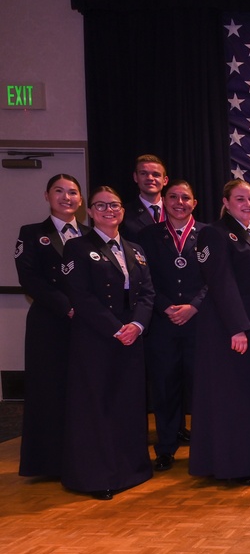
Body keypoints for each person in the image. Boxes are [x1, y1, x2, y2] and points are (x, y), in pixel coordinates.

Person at [189, 180, 250, 486]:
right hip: (233, 329)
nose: (248, 203)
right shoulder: (214, 233)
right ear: (226, 202)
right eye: (240, 199)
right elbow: (220, 283)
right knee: (236, 398)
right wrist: (238, 327)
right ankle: (237, 466)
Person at [61, 186, 155, 499]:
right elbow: (81, 296)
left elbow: (147, 294)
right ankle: (98, 476)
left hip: (131, 338)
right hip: (97, 339)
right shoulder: (77, 247)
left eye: (114, 205)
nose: (109, 210)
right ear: (90, 211)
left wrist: (137, 325)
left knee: (126, 404)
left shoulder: (135, 248)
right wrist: (116, 329)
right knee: (97, 407)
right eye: (100, 206)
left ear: (123, 211)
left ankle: (131, 470)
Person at [15, 174, 88, 479]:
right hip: (49, 323)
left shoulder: (89, 234)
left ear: (80, 200)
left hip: (85, 323)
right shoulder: (32, 233)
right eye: (59, 191)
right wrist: (65, 305)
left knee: (81, 391)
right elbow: (29, 279)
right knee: (49, 391)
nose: (66, 197)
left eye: (72, 192)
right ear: (47, 196)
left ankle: (80, 457)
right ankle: (46, 463)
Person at [137, 180, 207, 472]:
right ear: (163, 201)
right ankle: (165, 448)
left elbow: (215, 278)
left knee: (202, 389)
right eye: (174, 197)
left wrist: (194, 307)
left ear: (195, 203)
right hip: (162, 324)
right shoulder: (148, 236)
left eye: (186, 197)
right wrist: (165, 306)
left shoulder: (208, 234)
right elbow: (144, 278)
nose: (180, 202)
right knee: (165, 389)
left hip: (199, 324)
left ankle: (204, 450)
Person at [121, 154, 168, 243]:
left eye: (156, 174)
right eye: (143, 173)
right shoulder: (124, 213)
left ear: (165, 180)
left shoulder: (176, 210)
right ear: (135, 177)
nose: (150, 178)